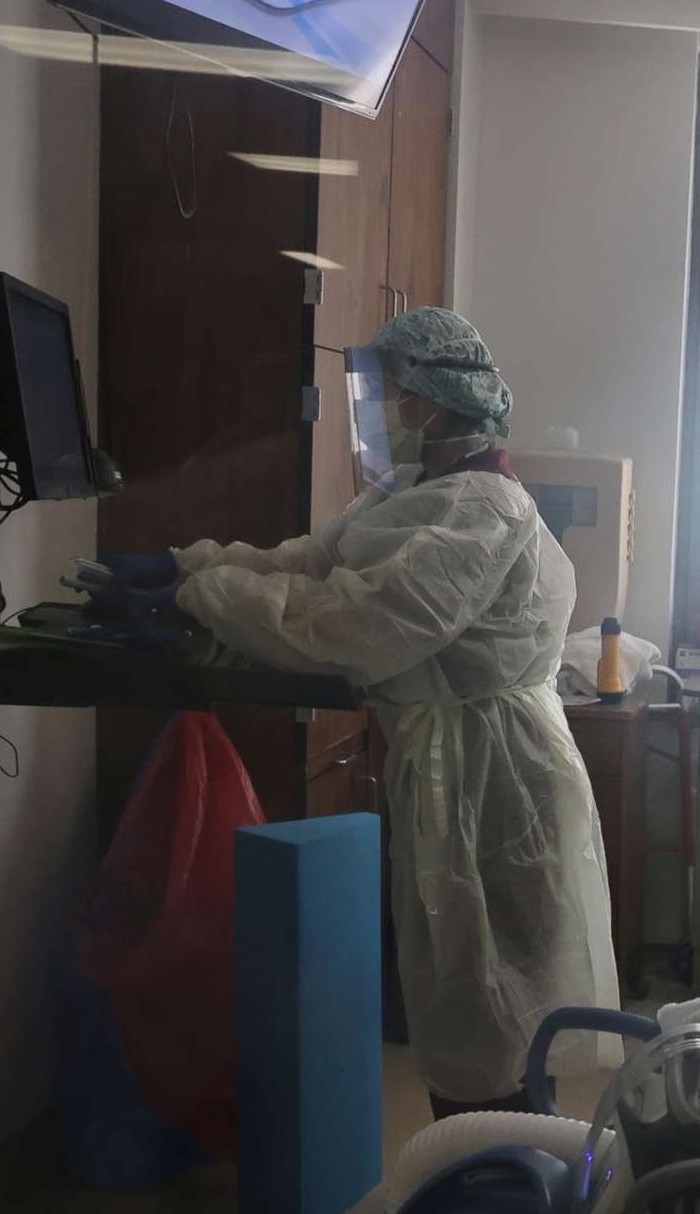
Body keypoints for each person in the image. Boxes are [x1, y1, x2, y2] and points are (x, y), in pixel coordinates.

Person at [87, 308, 619, 1116]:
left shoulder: (482, 511)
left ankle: (503, 1178)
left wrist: (198, 597)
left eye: (395, 394)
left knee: (496, 1005)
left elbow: (351, 621)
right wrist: (185, 564)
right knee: (464, 992)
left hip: (497, 782)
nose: (382, 414)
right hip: (451, 766)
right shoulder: (413, 496)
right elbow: (308, 563)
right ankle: (482, 1172)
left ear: (440, 399)